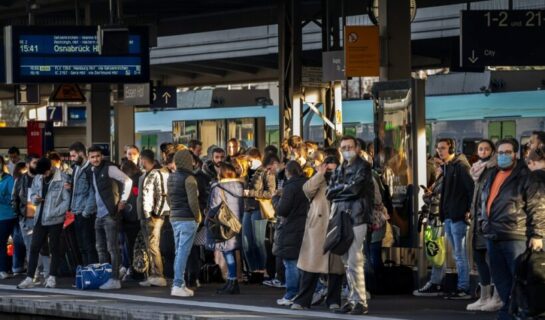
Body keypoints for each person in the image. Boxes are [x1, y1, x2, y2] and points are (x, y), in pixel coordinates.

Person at [481, 139, 544, 320]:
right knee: (502, 283)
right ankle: (509, 314)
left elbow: (537, 205)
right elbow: (484, 202)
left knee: (519, 281)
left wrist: (537, 234)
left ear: (515, 154)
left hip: (515, 235)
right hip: (493, 235)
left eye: (507, 152)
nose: (503, 156)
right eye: (500, 152)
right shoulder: (491, 174)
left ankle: (515, 314)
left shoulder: (525, 175)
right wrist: (482, 223)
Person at [326, 136, 373, 315]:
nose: (347, 150)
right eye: (344, 147)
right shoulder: (340, 168)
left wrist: (339, 190)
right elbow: (329, 191)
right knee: (346, 260)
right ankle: (353, 299)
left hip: (357, 216)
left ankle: (361, 301)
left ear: (357, 148)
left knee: (354, 259)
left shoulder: (364, 166)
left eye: (350, 147)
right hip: (342, 216)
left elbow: (356, 189)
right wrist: (342, 189)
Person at [291, 155, 344, 311]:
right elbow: (306, 190)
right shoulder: (318, 180)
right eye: (328, 168)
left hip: (337, 226)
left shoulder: (343, 180)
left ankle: (334, 300)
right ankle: (302, 301)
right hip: (318, 228)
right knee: (311, 267)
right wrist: (320, 174)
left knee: (336, 268)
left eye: (333, 169)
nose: (330, 172)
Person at [17, 157, 70, 289]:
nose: (43, 175)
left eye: (45, 172)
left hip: (55, 219)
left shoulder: (62, 178)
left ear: (50, 168)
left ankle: (52, 277)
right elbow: (33, 194)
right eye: (41, 173)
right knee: (34, 247)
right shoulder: (38, 177)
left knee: (54, 248)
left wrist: (56, 212)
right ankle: (30, 277)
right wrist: (35, 199)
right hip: (39, 218)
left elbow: (66, 200)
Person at [88, 145, 133, 290]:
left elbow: (128, 181)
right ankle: (105, 277)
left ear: (102, 156)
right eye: (92, 157)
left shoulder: (109, 168)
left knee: (112, 248)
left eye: (98, 156)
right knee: (100, 248)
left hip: (110, 214)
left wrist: (123, 200)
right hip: (99, 215)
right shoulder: (92, 170)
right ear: (89, 158)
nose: (95, 159)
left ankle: (114, 279)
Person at [466, 140, 502, 312]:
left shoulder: (494, 169)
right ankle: (484, 296)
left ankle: (497, 297)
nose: (483, 151)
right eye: (480, 148)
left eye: (487, 148)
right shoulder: (477, 169)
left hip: (488, 221)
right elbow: (477, 194)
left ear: (492, 151)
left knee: (492, 260)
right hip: (477, 221)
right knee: (479, 258)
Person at [436, 138, 474, 299]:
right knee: (457, 254)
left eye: (443, 148)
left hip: (457, 215)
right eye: (438, 148)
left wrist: (468, 210)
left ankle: (463, 287)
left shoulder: (461, 166)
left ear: (451, 149)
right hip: (450, 215)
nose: (439, 151)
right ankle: (461, 286)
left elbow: (471, 189)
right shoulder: (449, 167)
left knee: (459, 254)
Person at [273, 160, 308, 306]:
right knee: (302, 262)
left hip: (291, 226)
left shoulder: (290, 187)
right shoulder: (306, 183)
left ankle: (291, 293)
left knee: (290, 262)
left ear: (287, 172)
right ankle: (313, 289)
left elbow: (282, 210)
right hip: (305, 225)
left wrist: (275, 199)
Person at [11, 154, 50, 282]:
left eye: (38, 162)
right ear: (27, 165)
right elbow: (14, 198)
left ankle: (47, 273)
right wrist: (20, 216)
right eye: (34, 163)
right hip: (26, 218)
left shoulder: (43, 178)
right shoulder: (20, 180)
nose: (37, 165)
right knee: (30, 247)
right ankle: (34, 274)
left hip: (42, 217)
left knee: (44, 246)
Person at [207, 162, 244, 294]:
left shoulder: (218, 188)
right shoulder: (239, 186)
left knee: (227, 252)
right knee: (232, 251)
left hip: (223, 224)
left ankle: (232, 281)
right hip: (235, 223)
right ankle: (231, 280)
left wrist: (207, 219)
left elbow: (214, 207)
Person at [168, 150, 202, 297]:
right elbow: (193, 202)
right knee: (183, 252)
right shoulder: (190, 179)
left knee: (178, 251)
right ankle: (177, 284)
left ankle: (180, 283)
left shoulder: (171, 177)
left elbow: (169, 199)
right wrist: (198, 217)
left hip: (174, 217)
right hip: (187, 218)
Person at [242, 148, 276, 283]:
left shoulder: (265, 171)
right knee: (246, 242)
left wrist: (251, 193)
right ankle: (253, 269)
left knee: (258, 241)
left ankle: (262, 270)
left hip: (259, 208)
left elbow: (271, 192)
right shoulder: (244, 172)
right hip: (247, 208)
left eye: (249, 160)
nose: (248, 163)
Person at [413, 156, 445, 297]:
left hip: (437, 219)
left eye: (438, 164)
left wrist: (427, 197)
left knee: (436, 251)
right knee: (434, 250)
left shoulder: (444, 179)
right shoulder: (439, 179)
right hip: (434, 218)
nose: (435, 167)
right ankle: (435, 281)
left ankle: (436, 282)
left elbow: (437, 199)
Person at [138, 149, 169, 287]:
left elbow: (162, 194)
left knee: (153, 245)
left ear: (143, 159)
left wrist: (156, 213)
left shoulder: (158, 173)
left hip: (153, 216)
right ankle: (152, 274)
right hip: (145, 215)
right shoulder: (145, 174)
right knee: (149, 246)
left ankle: (158, 274)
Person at [68, 142, 99, 266]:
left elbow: (93, 192)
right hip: (76, 211)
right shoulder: (76, 168)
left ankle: (92, 273)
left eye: (74, 155)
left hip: (85, 212)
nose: (72, 158)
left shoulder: (89, 169)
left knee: (88, 245)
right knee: (81, 245)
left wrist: (86, 211)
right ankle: (85, 274)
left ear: (81, 153)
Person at [119, 160, 142, 281]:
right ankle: (132, 267)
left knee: (127, 244)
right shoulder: (140, 178)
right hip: (136, 217)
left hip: (129, 218)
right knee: (131, 244)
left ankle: (129, 267)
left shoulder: (130, 181)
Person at [0, 156, 16, 280]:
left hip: (7, 216)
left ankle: (4, 269)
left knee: (3, 242)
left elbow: (12, 198)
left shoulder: (8, 179)